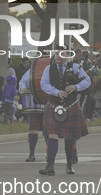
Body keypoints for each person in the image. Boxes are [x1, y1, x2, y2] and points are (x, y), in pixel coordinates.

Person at [39, 47, 91, 175]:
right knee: (52, 134)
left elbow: (87, 81)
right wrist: (57, 92)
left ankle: (69, 165)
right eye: (57, 53)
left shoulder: (75, 67)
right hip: (53, 105)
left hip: (71, 105)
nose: (59, 56)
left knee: (69, 137)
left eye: (62, 54)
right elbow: (44, 84)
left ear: (68, 55)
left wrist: (76, 87)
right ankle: (50, 166)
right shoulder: (48, 69)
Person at [19, 66, 45, 163]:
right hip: (33, 103)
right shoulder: (33, 70)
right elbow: (22, 81)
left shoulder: (54, 70)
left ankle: (49, 154)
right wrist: (23, 88)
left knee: (48, 131)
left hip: (48, 102)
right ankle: (31, 154)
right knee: (33, 129)